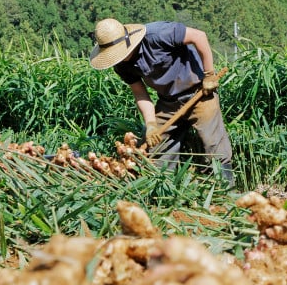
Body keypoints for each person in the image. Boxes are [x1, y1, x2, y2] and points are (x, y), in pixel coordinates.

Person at [89, 18, 234, 187]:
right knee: (158, 145)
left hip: (199, 92)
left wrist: (209, 74)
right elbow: (140, 93)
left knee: (213, 141)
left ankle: (225, 190)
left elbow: (199, 36)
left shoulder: (158, 34)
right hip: (168, 101)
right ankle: (165, 190)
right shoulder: (121, 65)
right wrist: (151, 124)